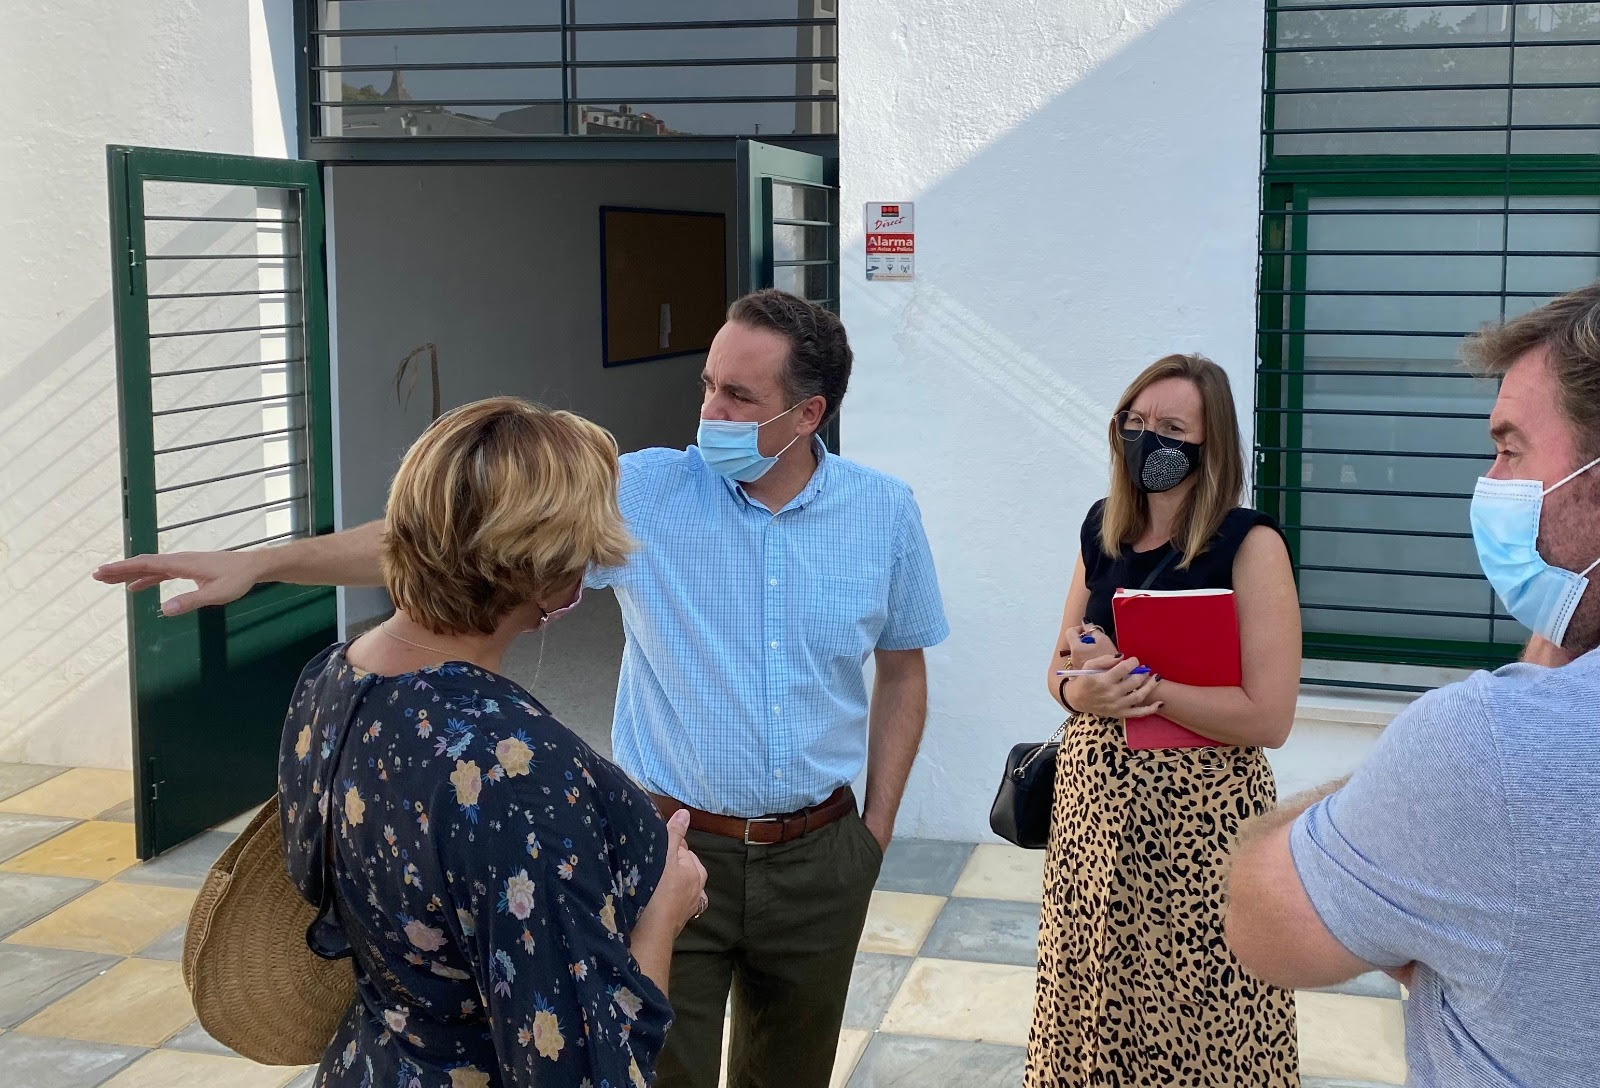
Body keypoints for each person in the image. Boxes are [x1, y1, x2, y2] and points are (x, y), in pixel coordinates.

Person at [95, 289, 949, 1088]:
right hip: (671, 844)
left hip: (820, 856)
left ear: (808, 414)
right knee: (659, 1066)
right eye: (707, 385)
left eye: (738, 397)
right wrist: (265, 562)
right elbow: (447, 532)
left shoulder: (883, 513)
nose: (709, 413)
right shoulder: (648, 489)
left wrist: (871, 838)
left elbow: (902, 671)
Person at [1224, 281, 1600, 1087]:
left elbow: (1259, 920)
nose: (1490, 480)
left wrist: (1427, 811)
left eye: (1511, 449)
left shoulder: (1494, 748)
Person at [277, 398, 706, 1087]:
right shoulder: (514, 772)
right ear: (543, 574)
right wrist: (662, 913)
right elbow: (581, 1070)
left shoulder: (329, 678)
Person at [1027, 353, 1302, 1087]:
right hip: (1092, 813)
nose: (1148, 439)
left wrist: (1140, 684)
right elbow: (1058, 668)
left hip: (1202, 822)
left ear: (1211, 445)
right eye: (1136, 421)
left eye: (1173, 428)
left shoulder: (1250, 544)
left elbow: (1270, 717)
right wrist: (1080, 694)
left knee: (1204, 1008)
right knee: (1093, 998)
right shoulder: (1103, 527)